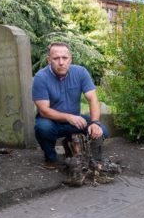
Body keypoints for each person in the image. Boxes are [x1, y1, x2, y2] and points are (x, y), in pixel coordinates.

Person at [32, 42, 108, 170]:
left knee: (102, 131)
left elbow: (93, 99)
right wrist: (68, 117)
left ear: (70, 59)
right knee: (43, 128)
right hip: (52, 122)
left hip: (75, 121)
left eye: (65, 58)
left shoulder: (80, 72)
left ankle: (89, 158)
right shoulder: (41, 77)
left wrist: (95, 122)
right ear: (48, 60)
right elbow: (44, 111)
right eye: (56, 58)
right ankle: (50, 159)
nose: (61, 62)